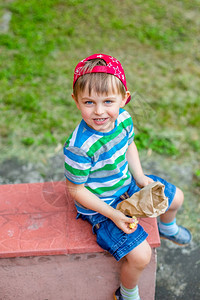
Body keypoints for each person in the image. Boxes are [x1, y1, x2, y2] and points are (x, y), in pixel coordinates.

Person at [63, 54, 191, 300]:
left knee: (176, 198)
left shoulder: (123, 119)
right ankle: (126, 293)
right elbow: (76, 190)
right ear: (76, 101)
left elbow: (129, 145)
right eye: (89, 102)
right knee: (141, 256)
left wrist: (141, 178)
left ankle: (167, 227)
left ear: (124, 98)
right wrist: (114, 214)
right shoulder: (79, 147)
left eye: (108, 101)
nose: (99, 111)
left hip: (127, 184)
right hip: (100, 205)